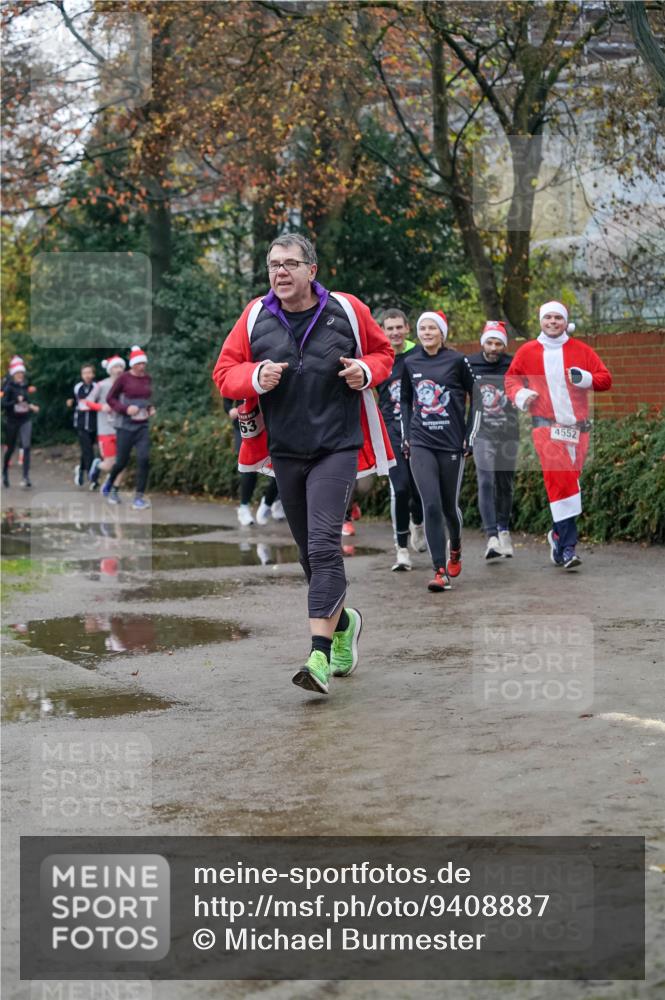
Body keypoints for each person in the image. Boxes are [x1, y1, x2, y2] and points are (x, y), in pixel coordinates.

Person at [213, 233, 394, 695]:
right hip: (285, 451)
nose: (281, 272)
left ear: (312, 270)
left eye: (291, 264)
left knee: (324, 544)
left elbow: (383, 353)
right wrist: (255, 375)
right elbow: (224, 374)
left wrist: (365, 371)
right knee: (308, 553)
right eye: (274, 264)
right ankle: (345, 623)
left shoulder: (347, 310)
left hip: (337, 445)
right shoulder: (256, 315)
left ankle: (318, 656)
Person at [505, 300, 612, 569]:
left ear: (566, 321)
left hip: (578, 431)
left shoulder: (581, 350)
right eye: (548, 318)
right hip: (546, 428)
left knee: (568, 485)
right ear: (541, 320)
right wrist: (521, 394)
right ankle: (568, 548)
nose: (553, 322)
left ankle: (556, 534)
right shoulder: (528, 351)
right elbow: (511, 379)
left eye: (558, 318)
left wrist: (585, 378)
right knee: (561, 481)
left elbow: (605, 379)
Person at [401, 311, 477, 591]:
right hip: (421, 442)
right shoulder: (411, 362)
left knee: (448, 507)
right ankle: (440, 571)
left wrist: (470, 435)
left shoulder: (457, 361)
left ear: (442, 332)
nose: (427, 332)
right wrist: (407, 436)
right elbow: (406, 400)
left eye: (432, 328)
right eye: (422, 328)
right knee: (430, 504)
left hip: (451, 444)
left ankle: (455, 545)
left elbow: (477, 396)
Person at [376, 308, 426, 570]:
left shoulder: (419, 354)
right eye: (389, 328)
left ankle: (418, 522)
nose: (394, 332)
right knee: (401, 487)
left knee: (417, 489)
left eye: (399, 327)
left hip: (418, 429)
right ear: (382, 331)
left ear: (407, 328)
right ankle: (402, 550)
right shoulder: (378, 357)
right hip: (390, 430)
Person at [467, 321, 519, 560]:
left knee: (505, 484)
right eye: (490, 342)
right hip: (482, 433)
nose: (494, 347)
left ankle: (504, 530)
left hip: (509, 433)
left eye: (499, 343)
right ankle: (491, 537)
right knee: (486, 480)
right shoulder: (469, 363)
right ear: (483, 343)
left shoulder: (513, 364)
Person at [102, 345, 155, 510]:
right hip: (125, 426)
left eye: (143, 364)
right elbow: (110, 399)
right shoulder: (124, 379)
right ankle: (110, 483)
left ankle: (138, 498)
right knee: (121, 462)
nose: (142, 366)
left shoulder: (147, 379)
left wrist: (151, 408)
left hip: (142, 426)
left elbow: (149, 398)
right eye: (139, 364)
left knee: (144, 459)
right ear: (132, 364)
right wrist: (125, 409)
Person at [223, 397, 285, 526]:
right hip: (246, 422)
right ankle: (244, 507)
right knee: (250, 466)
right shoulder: (239, 377)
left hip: (271, 423)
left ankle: (270, 502)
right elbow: (227, 395)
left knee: (280, 466)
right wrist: (230, 410)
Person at [83, 355, 127, 492]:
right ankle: (97, 466)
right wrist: (101, 407)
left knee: (122, 463)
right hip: (105, 429)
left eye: (120, 366)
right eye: (115, 367)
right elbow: (87, 401)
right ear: (110, 370)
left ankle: (113, 489)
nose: (119, 370)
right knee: (109, 464)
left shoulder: (127, 384)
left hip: (123, 428)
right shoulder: (101, 385)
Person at [2, 355, 39, 488]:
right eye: (17, 373)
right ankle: (4, 472)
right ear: (13, 374)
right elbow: (3, 403)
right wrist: (14, 402)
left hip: (25, 419)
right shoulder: (8, 387)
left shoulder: (25, 386)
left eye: (21, 373)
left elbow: (26, 400)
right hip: (12, 420)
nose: (20, 375)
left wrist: (32, 406)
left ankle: (25, 477)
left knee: (26, 447)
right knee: (10, 448)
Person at [68, 363, 97, 487]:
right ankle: (93, 478)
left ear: (93, 374)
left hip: (93, 422)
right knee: (88, 451)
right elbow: (73, 401)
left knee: (87, 450)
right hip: (80, 423)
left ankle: (80, 470)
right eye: (85, 373)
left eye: (89, 373)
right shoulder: (77, 387)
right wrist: (69, 402)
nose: (87, 375)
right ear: (81, 375)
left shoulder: (97, 387)